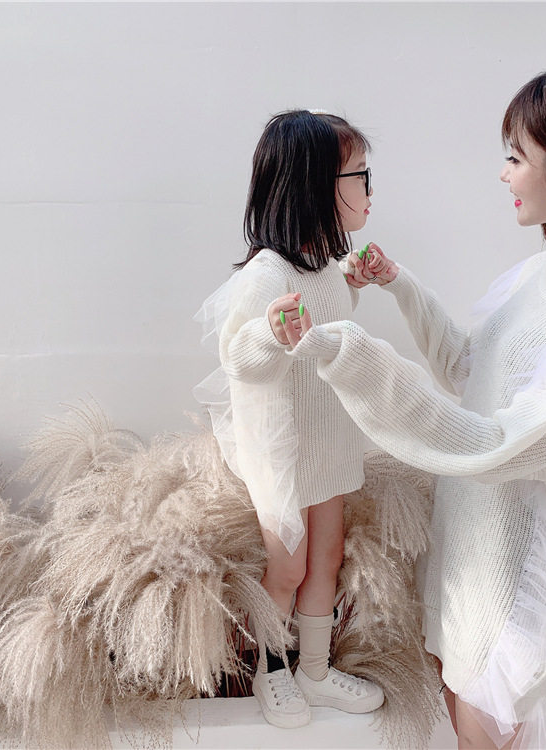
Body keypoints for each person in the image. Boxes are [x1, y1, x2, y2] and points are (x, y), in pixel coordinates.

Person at [285, 63, 546, 748]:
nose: (504, 173)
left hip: (516, 591)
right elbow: (468, 370)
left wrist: (353, 356)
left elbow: (512, 445)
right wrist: (401, 286)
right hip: (468, 557)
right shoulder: (538, 273)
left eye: (516, 156)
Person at [192, 110, 384, 728]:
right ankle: (271, 670)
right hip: (283, 448)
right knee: (289, 566)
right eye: (359, 176)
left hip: (326, 439)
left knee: (326, 560)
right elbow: (236, 355)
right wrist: (270, 335)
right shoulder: (267, 275)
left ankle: (316, 671)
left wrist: (353, 279)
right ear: (315, 186)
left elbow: (328, 310)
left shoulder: (321, 266)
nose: (369, 190)